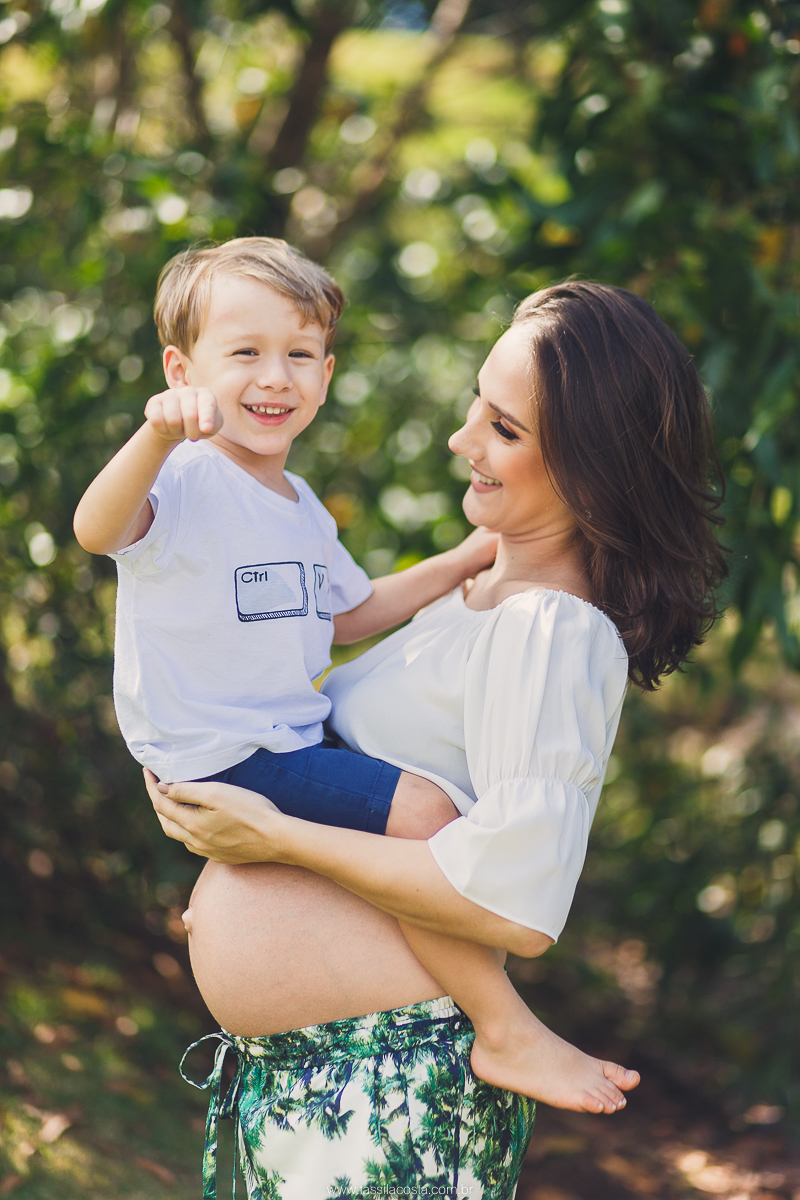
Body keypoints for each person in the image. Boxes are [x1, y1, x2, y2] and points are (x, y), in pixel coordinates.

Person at [148, 281, 727, 1200]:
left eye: (504, 429)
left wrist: (272, 840)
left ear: (593, 469)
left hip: (397, 1087)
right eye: (477, 406)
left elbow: (514, 903)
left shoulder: (550, 632)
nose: (463, 441)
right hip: (316, 1082)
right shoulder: (471, 598)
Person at [72, 238, 631, 1135]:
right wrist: (156, 431)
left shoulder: (300, 506)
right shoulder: (185, 479)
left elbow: (351, 614)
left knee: (418, 817)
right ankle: (506, 1024)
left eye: (298, 354)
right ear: (183, 369)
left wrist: (456, 561)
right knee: (419, 814)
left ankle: (502, 1026)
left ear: (327, 376)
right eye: (243, 352)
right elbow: (98, 531)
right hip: (232, 753)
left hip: (281, 755)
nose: (274, 376)